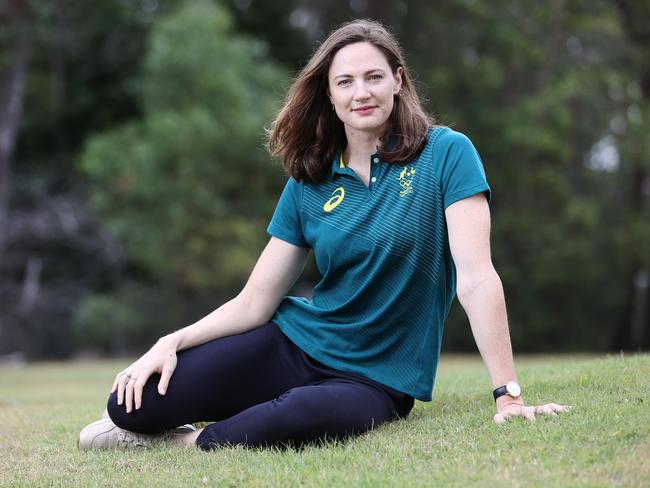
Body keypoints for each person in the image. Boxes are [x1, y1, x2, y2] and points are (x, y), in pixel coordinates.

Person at [78, 19, 569, 451]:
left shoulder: (447, 154)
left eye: (375, 77)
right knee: (129, 406)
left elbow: (477, 278)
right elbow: (255, 302)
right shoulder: (309, 181)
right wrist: (171, 341)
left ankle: (188, 441)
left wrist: (508, 394)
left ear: (398, 82)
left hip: (376, 379)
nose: (362, 93)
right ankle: (172, 422)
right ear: (330, 96)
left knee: (296, 416)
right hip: (298, 342)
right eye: (346, 82)